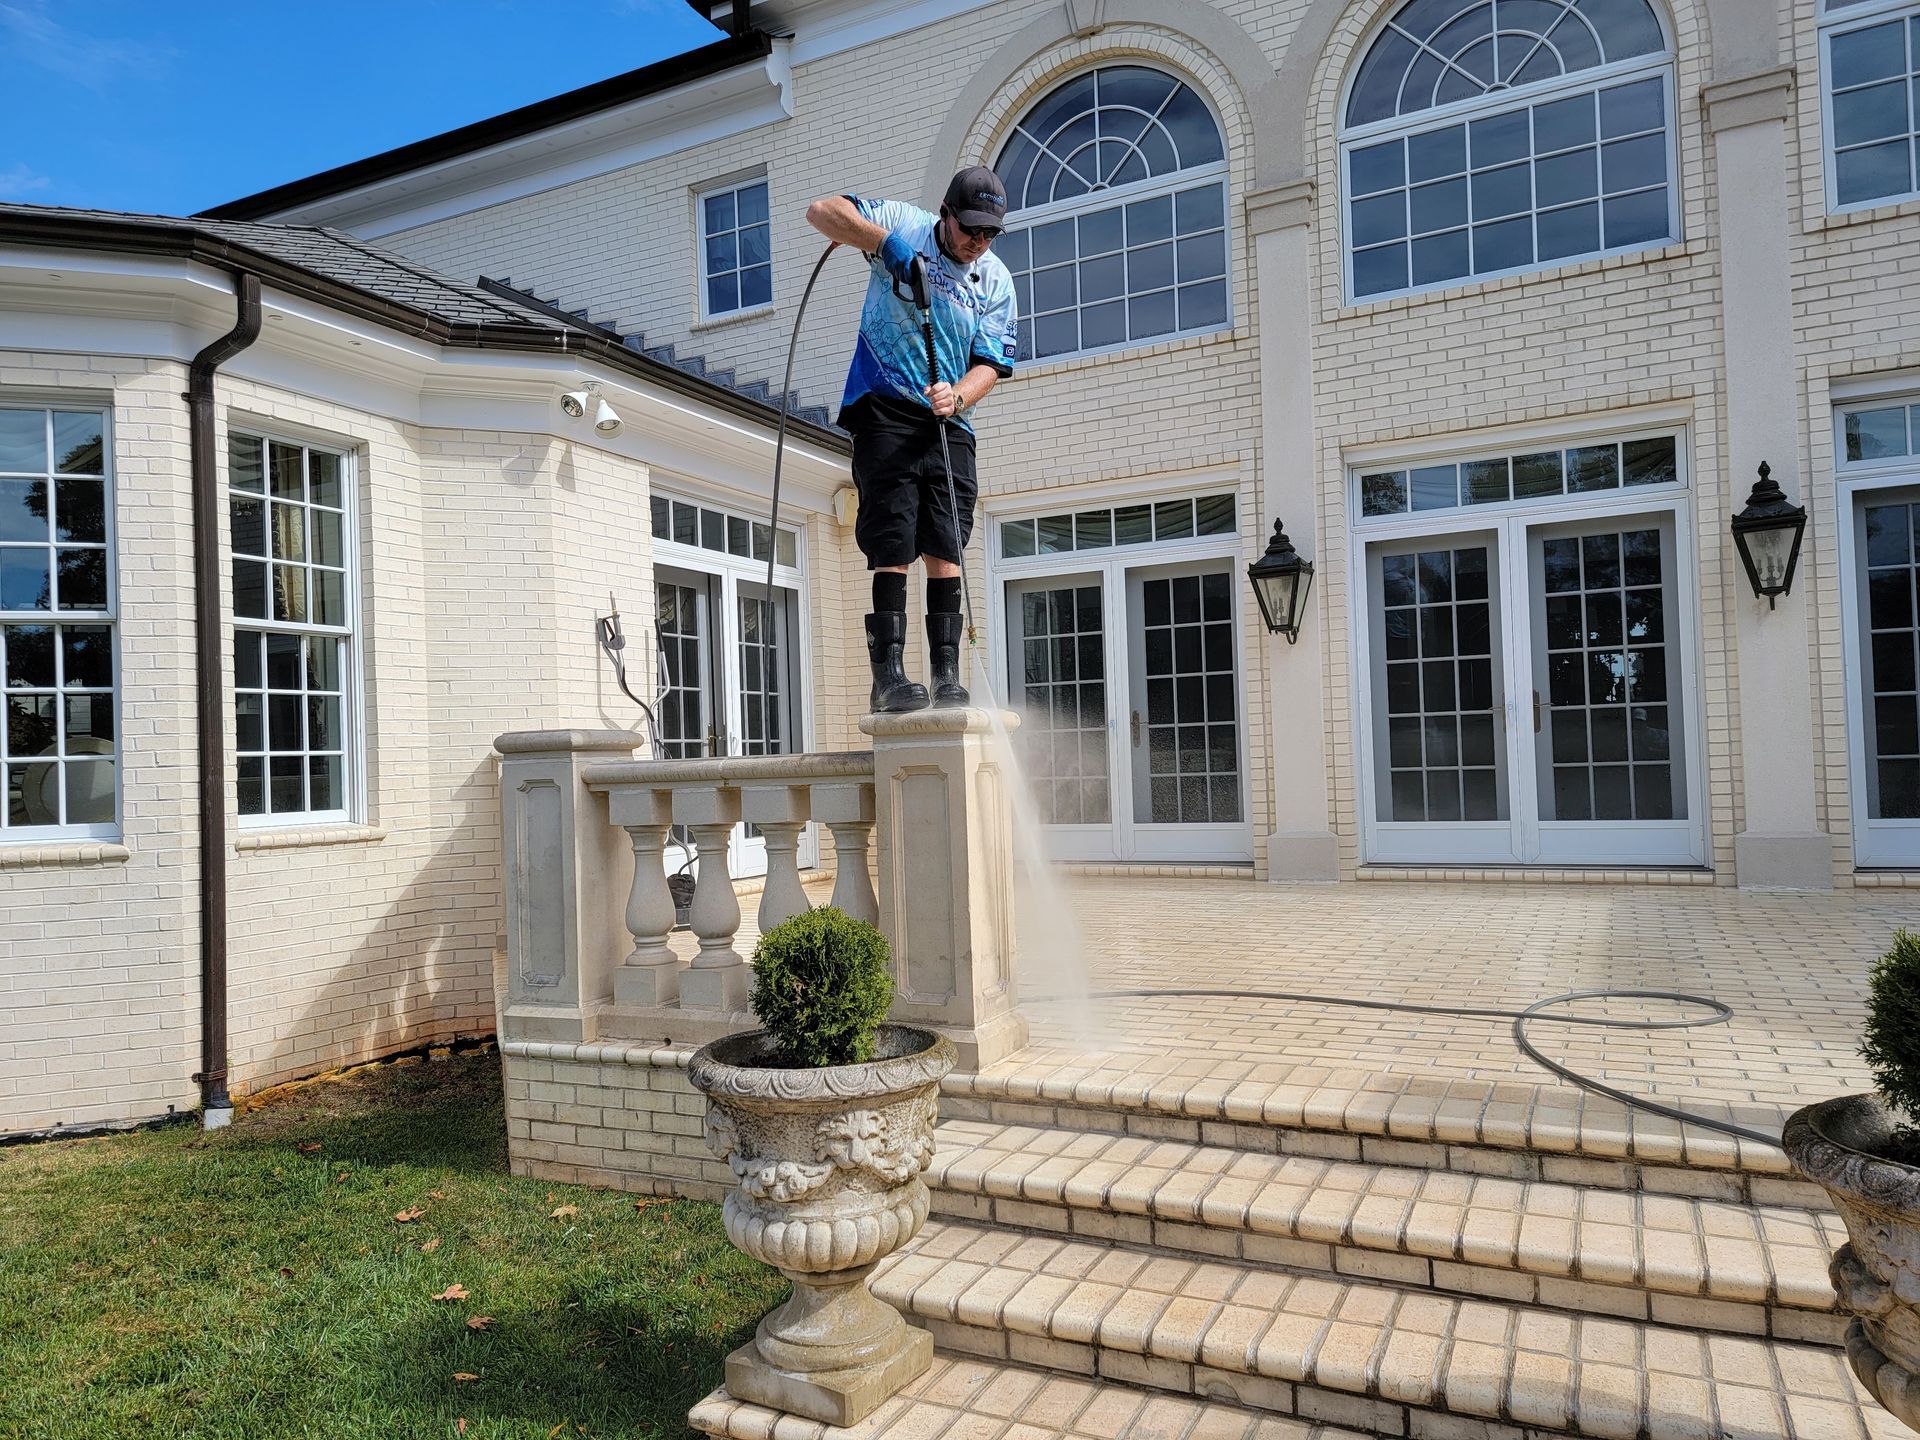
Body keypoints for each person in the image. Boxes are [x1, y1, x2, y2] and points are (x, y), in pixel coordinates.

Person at [805, 166, 1018, 711]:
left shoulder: (995, 281)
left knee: (946, 544)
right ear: (946, 213)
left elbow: (991, 363)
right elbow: (821, 211)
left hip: (948, 421)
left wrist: (960, 397)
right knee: (893, 540)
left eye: (990, 233)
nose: (979, 242)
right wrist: (884, 244)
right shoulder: (905, 223)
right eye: (971, 228)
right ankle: (889, 678)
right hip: (884, 406)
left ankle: (946, 675)